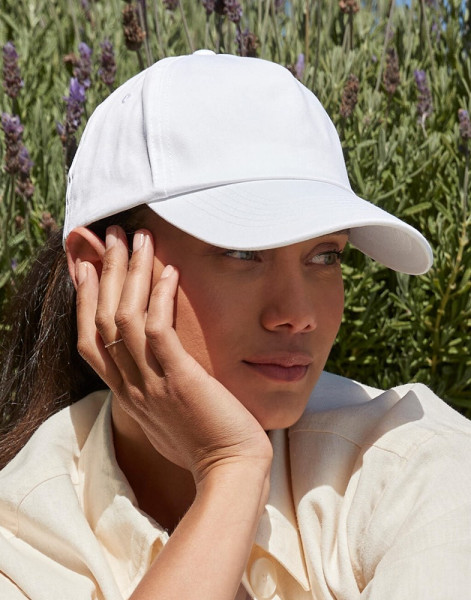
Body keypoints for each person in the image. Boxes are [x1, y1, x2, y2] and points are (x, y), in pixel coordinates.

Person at [0, 50, 470, 600]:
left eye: (325, 255)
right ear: (101, 270)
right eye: (243, 252)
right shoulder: (24, 536)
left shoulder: (413, 466)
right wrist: (231, 471)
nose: (299, 313)